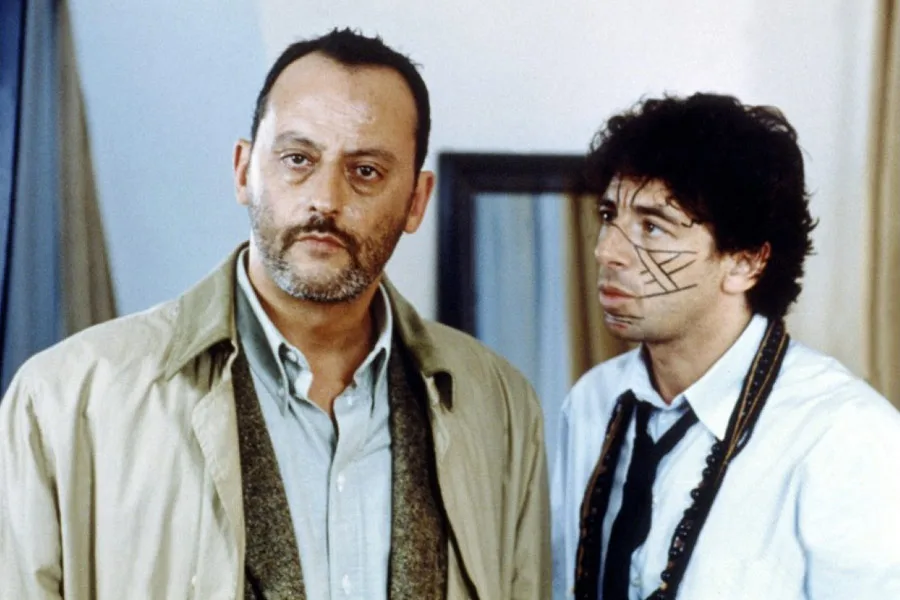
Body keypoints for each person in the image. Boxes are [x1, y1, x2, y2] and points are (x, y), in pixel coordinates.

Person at [0, 28, 550, 599]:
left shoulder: (500, 407)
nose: (325, 199)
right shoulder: (67, 399)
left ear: (416, 200)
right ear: (244, 170)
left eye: (365, 170)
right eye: (297, 159)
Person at [551, 93, 900, 600]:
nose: (607, 251)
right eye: (609, 215)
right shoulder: (592, 402)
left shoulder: (843, 436)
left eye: (652, 226)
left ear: (745, 263)